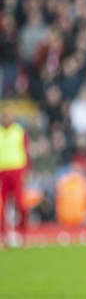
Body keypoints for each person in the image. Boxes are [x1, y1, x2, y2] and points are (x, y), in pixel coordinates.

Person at [0, 106, 31, 248]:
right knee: (2, 206)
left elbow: (26, 150)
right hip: (2, 171)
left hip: (17, 170)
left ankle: (22, 234)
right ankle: (3, 236)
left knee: (20, 204)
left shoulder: (19, 131)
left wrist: (27, 170)